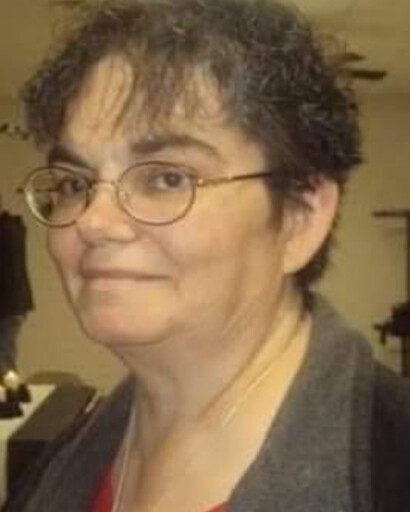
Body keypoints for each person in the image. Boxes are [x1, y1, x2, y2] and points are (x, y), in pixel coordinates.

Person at [7, 0, 410, 510]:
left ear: (300, 216)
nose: (93, 221)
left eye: (167, 178)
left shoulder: (391, 470)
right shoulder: (60, 465)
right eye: (73, 183)